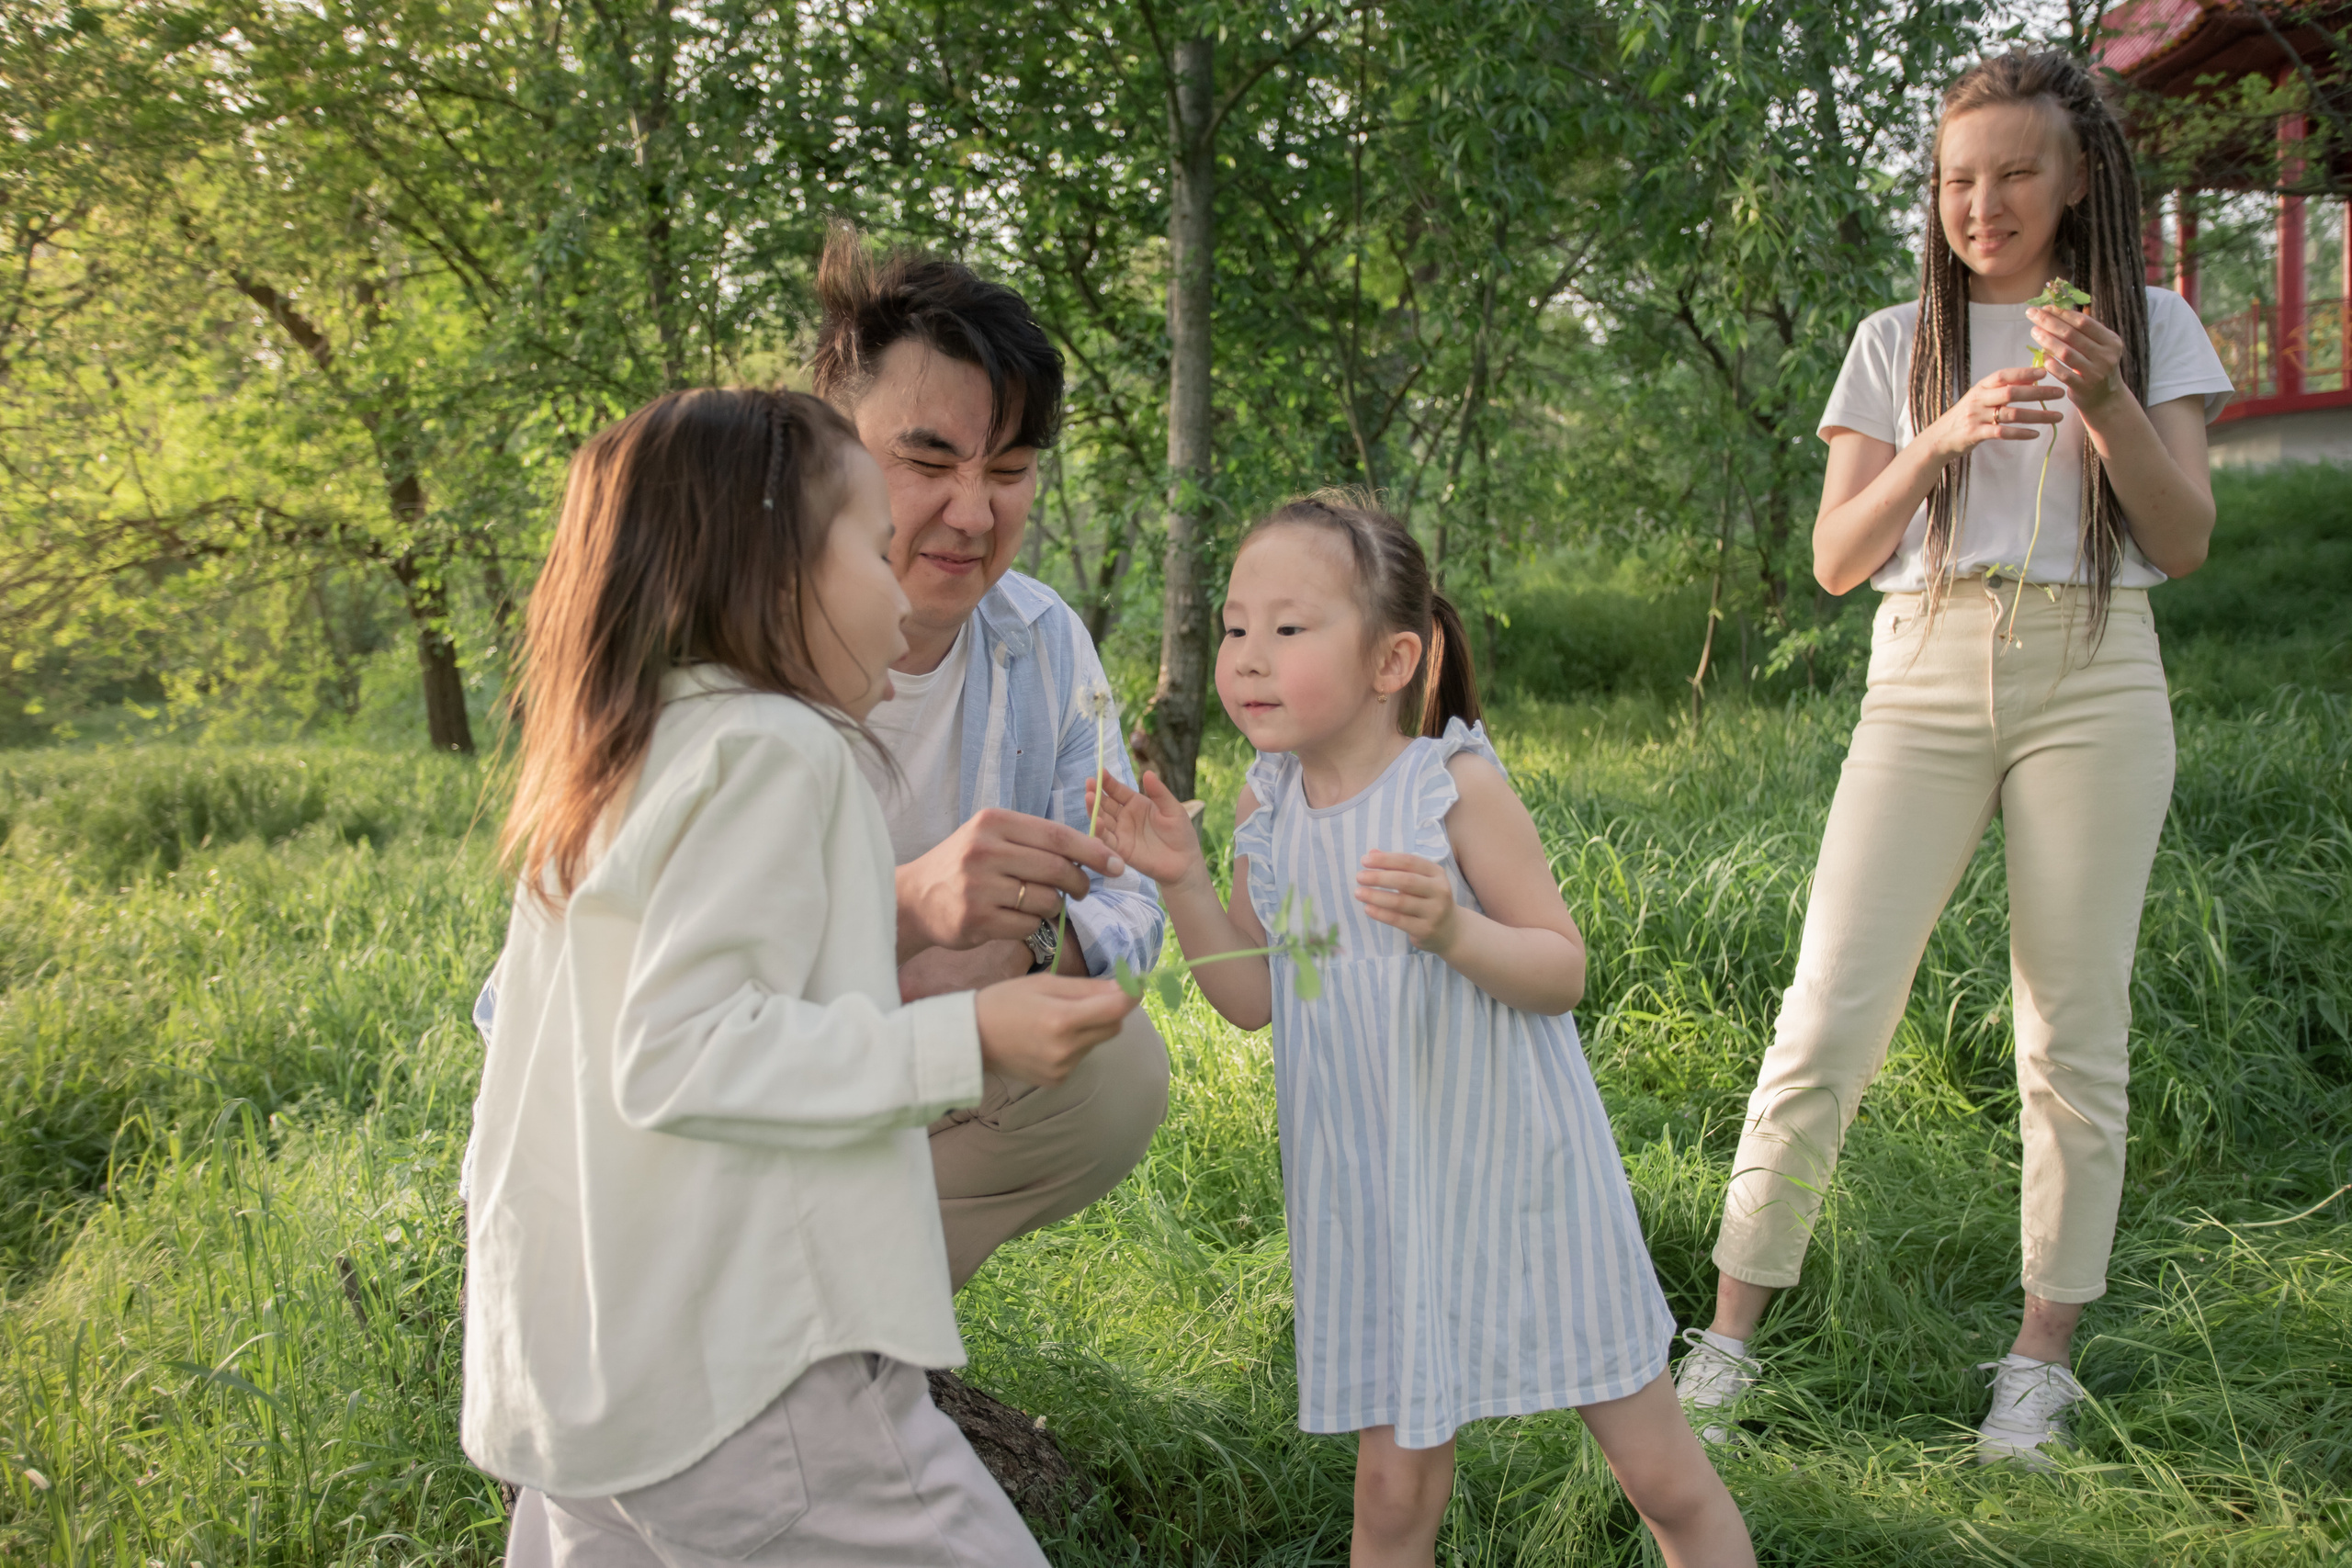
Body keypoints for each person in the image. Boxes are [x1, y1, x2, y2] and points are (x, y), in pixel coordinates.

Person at [1671, 49, 2234, 1469]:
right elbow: (1834, 560)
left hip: (2096, 669)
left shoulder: (2149, 323)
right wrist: (1940, 438)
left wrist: (2104, 401)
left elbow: (2182, 541)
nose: (1981, 203)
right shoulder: (1892, 335)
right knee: (1830, 1006)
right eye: (1956, 178)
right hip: (1920, 667)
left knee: (2069, 1026)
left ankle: (2039, 1357)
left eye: (2013, 174)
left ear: (2077, 179)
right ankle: (1728, 1333)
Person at [464, 386, 1137, 1566]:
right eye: (875, 549)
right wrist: (968, 1035)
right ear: (772, 574)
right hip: (754, 1382)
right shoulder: (773, 748)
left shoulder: (622, 756)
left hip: (575, 1387)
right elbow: (682, 1051)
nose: (903, 584)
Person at [469, 228, 1170, 1291]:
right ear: (824, 451)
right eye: (928, 461)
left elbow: (1131, 902)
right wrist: (897, 923)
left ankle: (853, 1327)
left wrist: (1021, 958)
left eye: (1013, 471)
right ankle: (714, 1315)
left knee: (1116, 1067)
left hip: (866, 1074)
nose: (973, 514)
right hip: (651, 1128)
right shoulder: (716, 676)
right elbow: (607, 1007)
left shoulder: (1043, 643)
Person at [1090, 493, 1757, 1568]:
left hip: (1523, 1183)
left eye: (1288, 628)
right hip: (1375, 1200)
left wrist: (1452, 930)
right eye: (1234, 627)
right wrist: (1180, 880)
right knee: (1394, 1496)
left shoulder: (1448, 791)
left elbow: (1560, 969)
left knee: (1659, 1473)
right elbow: (1252, 997)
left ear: (1392, 659)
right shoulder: (1270, 812)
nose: (1248, 657)